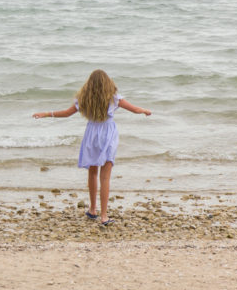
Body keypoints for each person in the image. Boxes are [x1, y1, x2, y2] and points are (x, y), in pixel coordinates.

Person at [33, 69, 151, 226]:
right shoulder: (114, 98)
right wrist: (145, 111)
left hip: (92, 135)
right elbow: (135, 109)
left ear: (89, 84)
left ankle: (93, 210)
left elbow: (67, 113)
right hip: (108, 135)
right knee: (105, 177)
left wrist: (47, 114)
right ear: (108, 83)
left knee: (93, 173)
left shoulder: (83, 98)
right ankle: (104, 216)